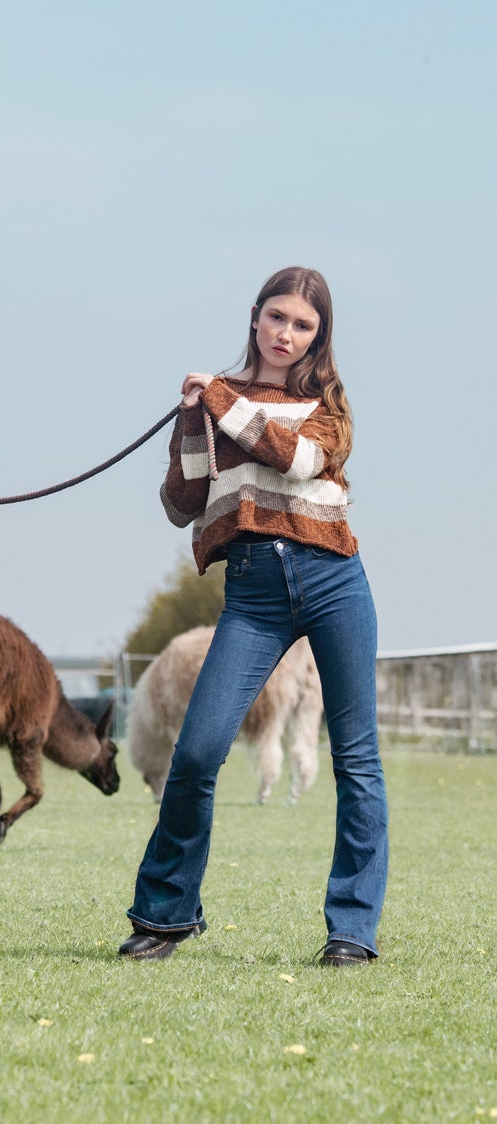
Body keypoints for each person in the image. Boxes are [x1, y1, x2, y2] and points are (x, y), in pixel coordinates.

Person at [119, 266, 388, 967]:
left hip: (333, 581)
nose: (286, 334)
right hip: (254, 594)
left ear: (318, 336)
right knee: (199, 751)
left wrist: (220, 399)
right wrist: (191, 421)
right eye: (277, 317)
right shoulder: (219, 402)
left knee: (356, 759)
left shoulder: (329, 407)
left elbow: (297, 461)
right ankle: (166, 916)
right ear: (255, 316)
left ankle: (352, 931)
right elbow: (181, 504)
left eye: (303, 325)